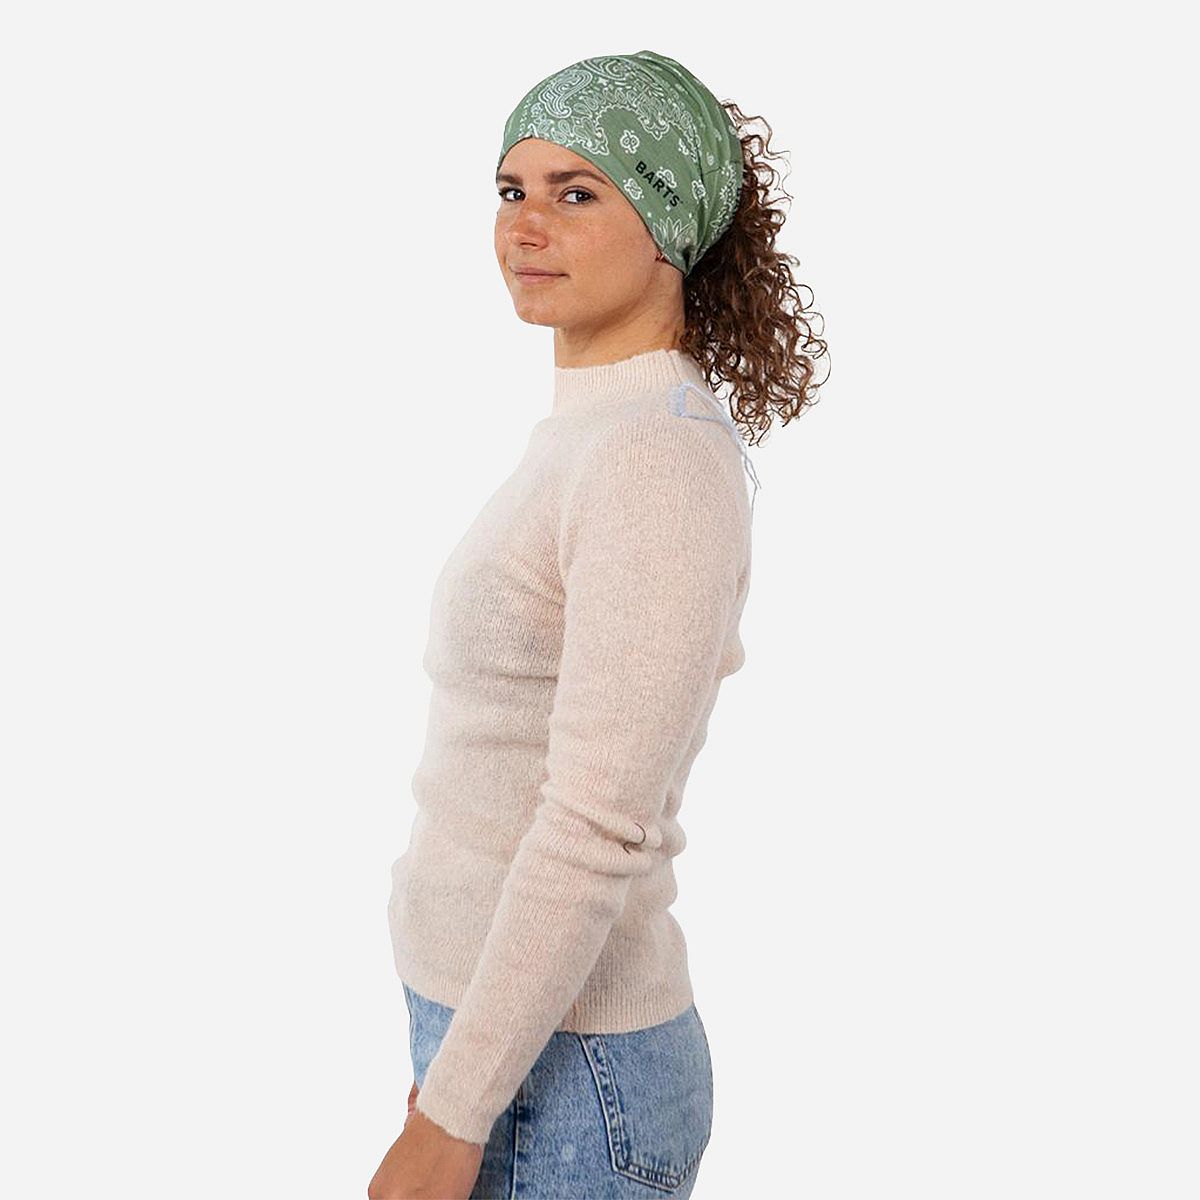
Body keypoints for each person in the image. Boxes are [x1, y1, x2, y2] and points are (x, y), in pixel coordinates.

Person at [368, 48, 827, 1200]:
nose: (526, 226)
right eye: (510, 190)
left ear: (669, 224)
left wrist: (456, 1113)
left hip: (570, 1086)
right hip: (503, 1046)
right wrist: (455, 1069)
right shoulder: (591, 435)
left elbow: (595, 822)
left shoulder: (653, 459)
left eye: (577, 193)